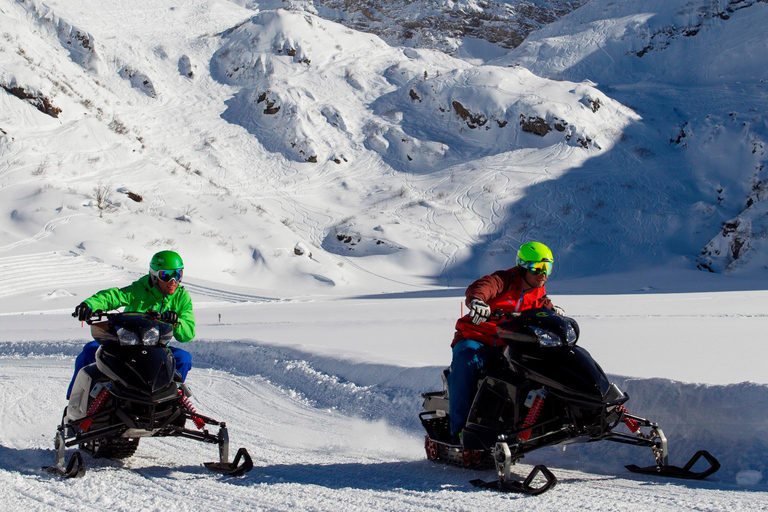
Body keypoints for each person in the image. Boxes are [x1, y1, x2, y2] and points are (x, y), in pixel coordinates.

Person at [448, 241, 562, 441]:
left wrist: (554, 313)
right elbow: (482, 287)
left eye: (547, 268)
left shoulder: (539, 293)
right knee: (467, 361)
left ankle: (528, 423)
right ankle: (460, 431)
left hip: (507, 345)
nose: (542, 274)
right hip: (476, 339)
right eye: (537, 267)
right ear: (523, 266)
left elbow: (544, 307)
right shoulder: (504, 280)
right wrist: (477, 301)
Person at [66, 250, 195, 398]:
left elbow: (188, 333)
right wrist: (90, 305)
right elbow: (114, 296)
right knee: (90, 351)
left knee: (183, 359)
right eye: (166, 275)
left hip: (156, 348)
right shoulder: (140, 289)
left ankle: (170, 399)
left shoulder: (182, 297)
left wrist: (176, 322)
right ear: (154, 276)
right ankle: (76, 400)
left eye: (177, 275)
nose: (173, 281)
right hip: (126, 345)